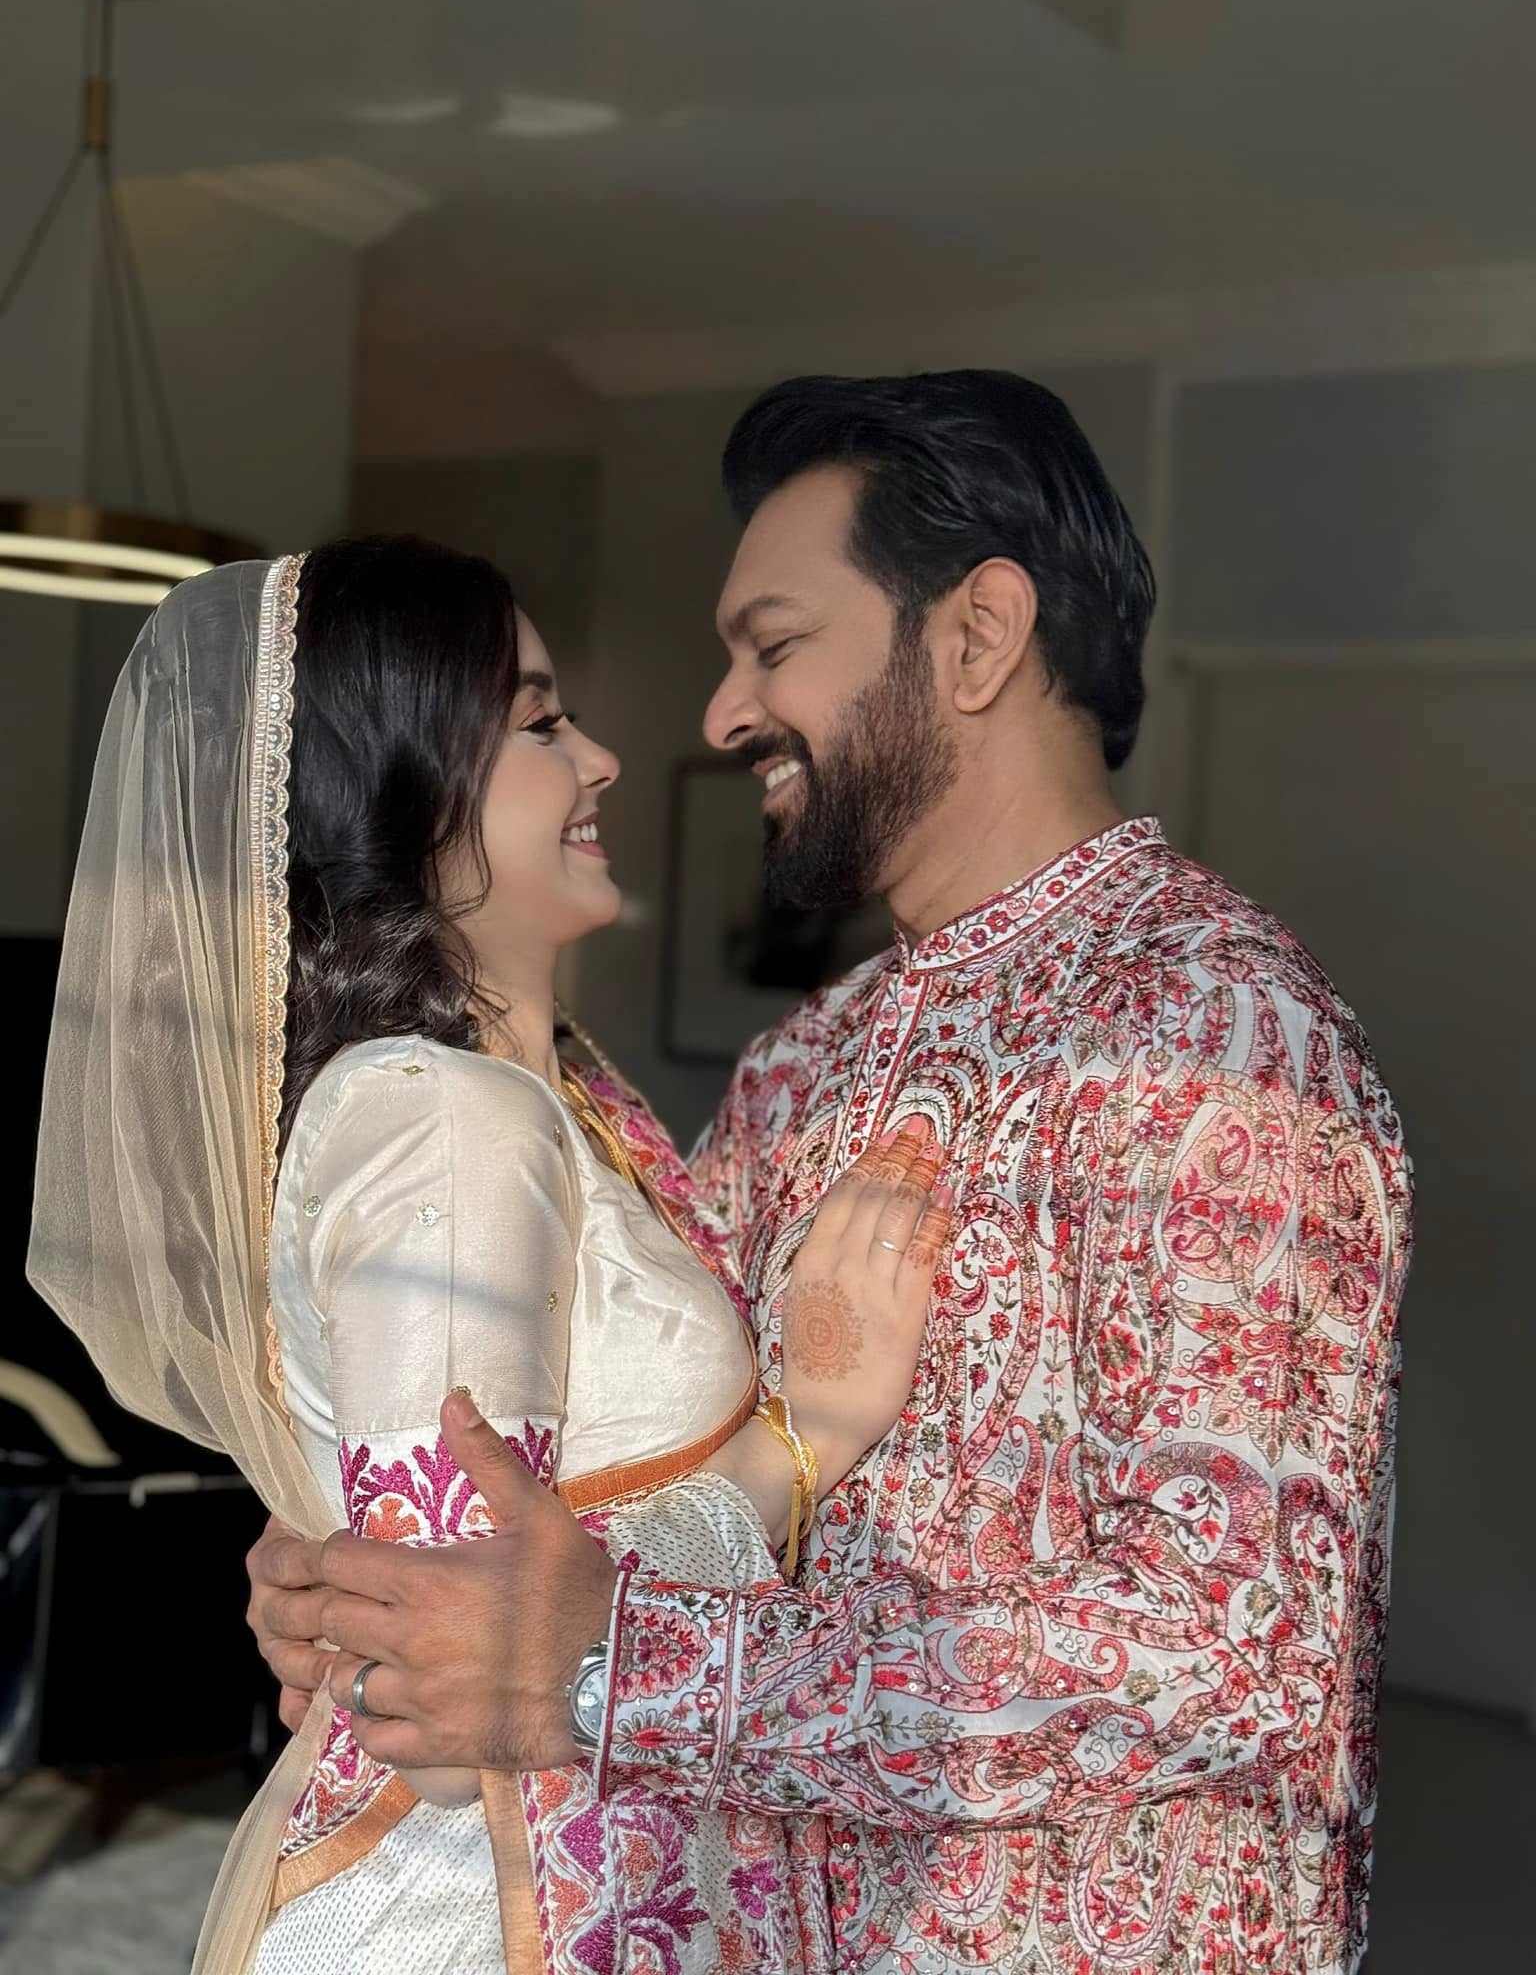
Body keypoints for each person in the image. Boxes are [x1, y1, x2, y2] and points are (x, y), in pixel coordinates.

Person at [250, 371, 1412, 1975]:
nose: (722, 715)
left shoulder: (1219, 1039)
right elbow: (656, 1454)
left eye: (773, 645)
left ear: (976, 639)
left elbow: (1235, 1655)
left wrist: (606, 1669)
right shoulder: (806, 1063)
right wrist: (373, 1584)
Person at [27, 535, 956, 1975]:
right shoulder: (446, 1121)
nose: (601, 761)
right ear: (403, 797)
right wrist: (808, 1438)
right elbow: (452, 1703)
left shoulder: (536, 1096)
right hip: (455, 1919)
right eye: (539, 724)